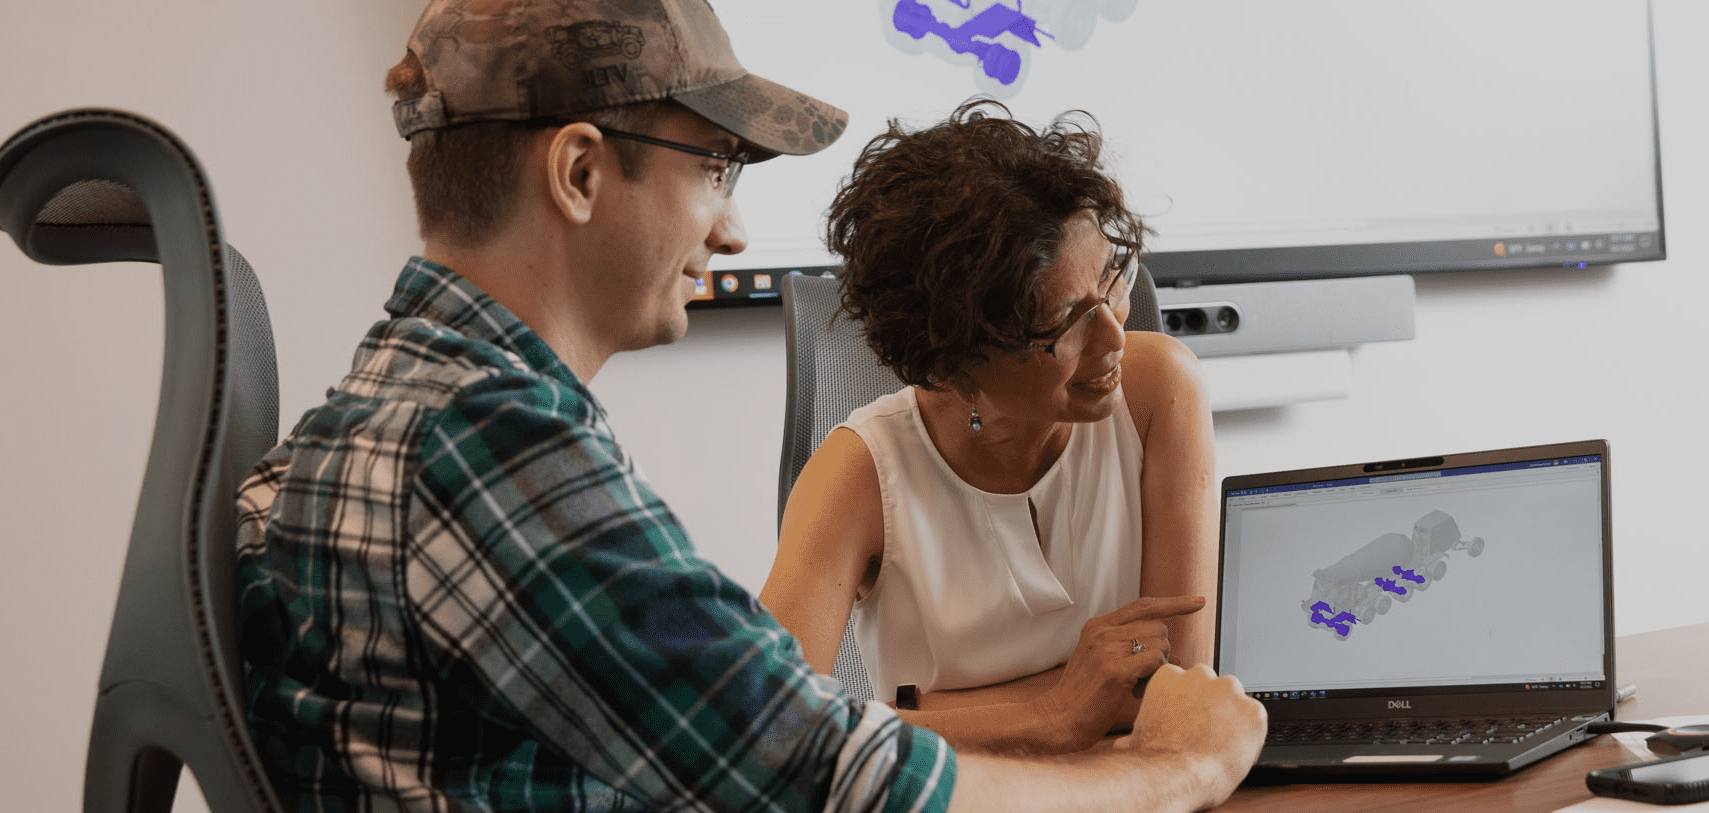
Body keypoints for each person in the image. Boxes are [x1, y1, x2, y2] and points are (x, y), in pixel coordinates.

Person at [236, 2, 1264, 812]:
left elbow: (767, 723)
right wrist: (1178, 773)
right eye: (714, 169)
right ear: (581, 172)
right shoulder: (492, 446)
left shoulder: (378, 415)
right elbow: (810, 773)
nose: (729, 228)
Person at [759, 99, 1222, 755]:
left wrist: (917, 712)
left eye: (1112, 278)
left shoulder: (1160, 391)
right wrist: (1053, 712)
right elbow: (774, 727)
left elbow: (1174, 689)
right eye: (1069, 322)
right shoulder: (857, 475)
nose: (1116, 334)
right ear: (956, 364)